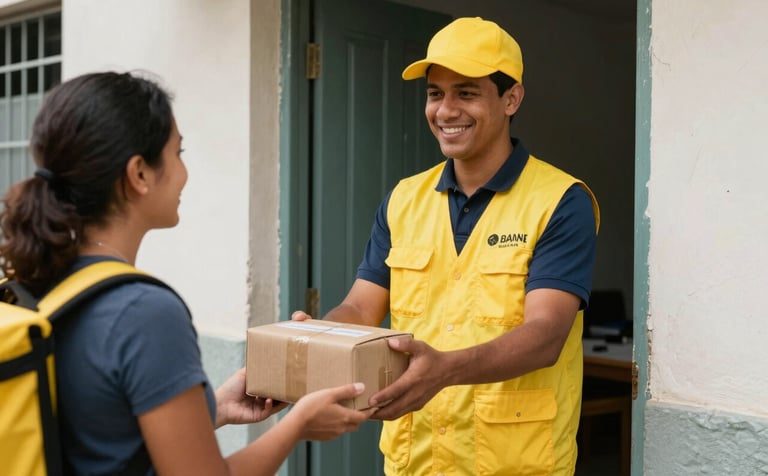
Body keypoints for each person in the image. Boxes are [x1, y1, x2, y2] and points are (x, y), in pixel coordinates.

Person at [0, 71, 374, 475]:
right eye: (178, 152)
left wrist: (212, 408)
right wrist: (297, 424)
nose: (184, 172)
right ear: (139, 173)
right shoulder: (144, 312)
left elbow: (87, 437)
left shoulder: (27, 283)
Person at [292, 16, 600, 475]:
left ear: (511, 98)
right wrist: (320, 336)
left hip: (515, 463)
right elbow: (360, 308)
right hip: (417, 461)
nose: (446, 110)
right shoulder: (403, 200)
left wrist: (446, 369)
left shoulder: (560, 201)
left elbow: (546, 336)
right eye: (435, 93)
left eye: (467, 92)